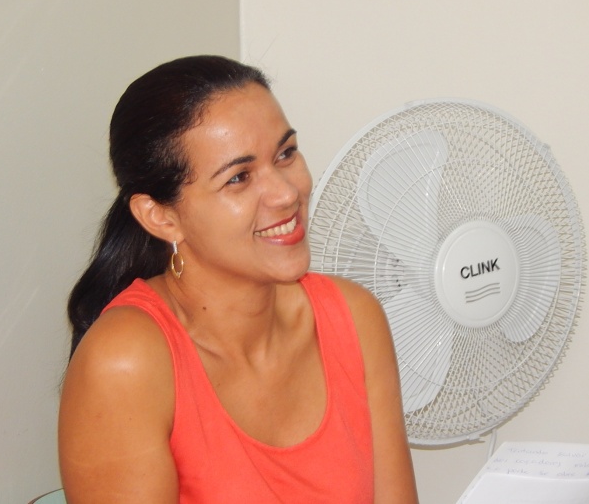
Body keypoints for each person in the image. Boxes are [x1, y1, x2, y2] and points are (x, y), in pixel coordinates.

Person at [58, 55, 418, 504]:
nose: (287, 193)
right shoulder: (126, 362)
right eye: (239, 178)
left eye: (285, 154)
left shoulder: (354, 318)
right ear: (161, 217)